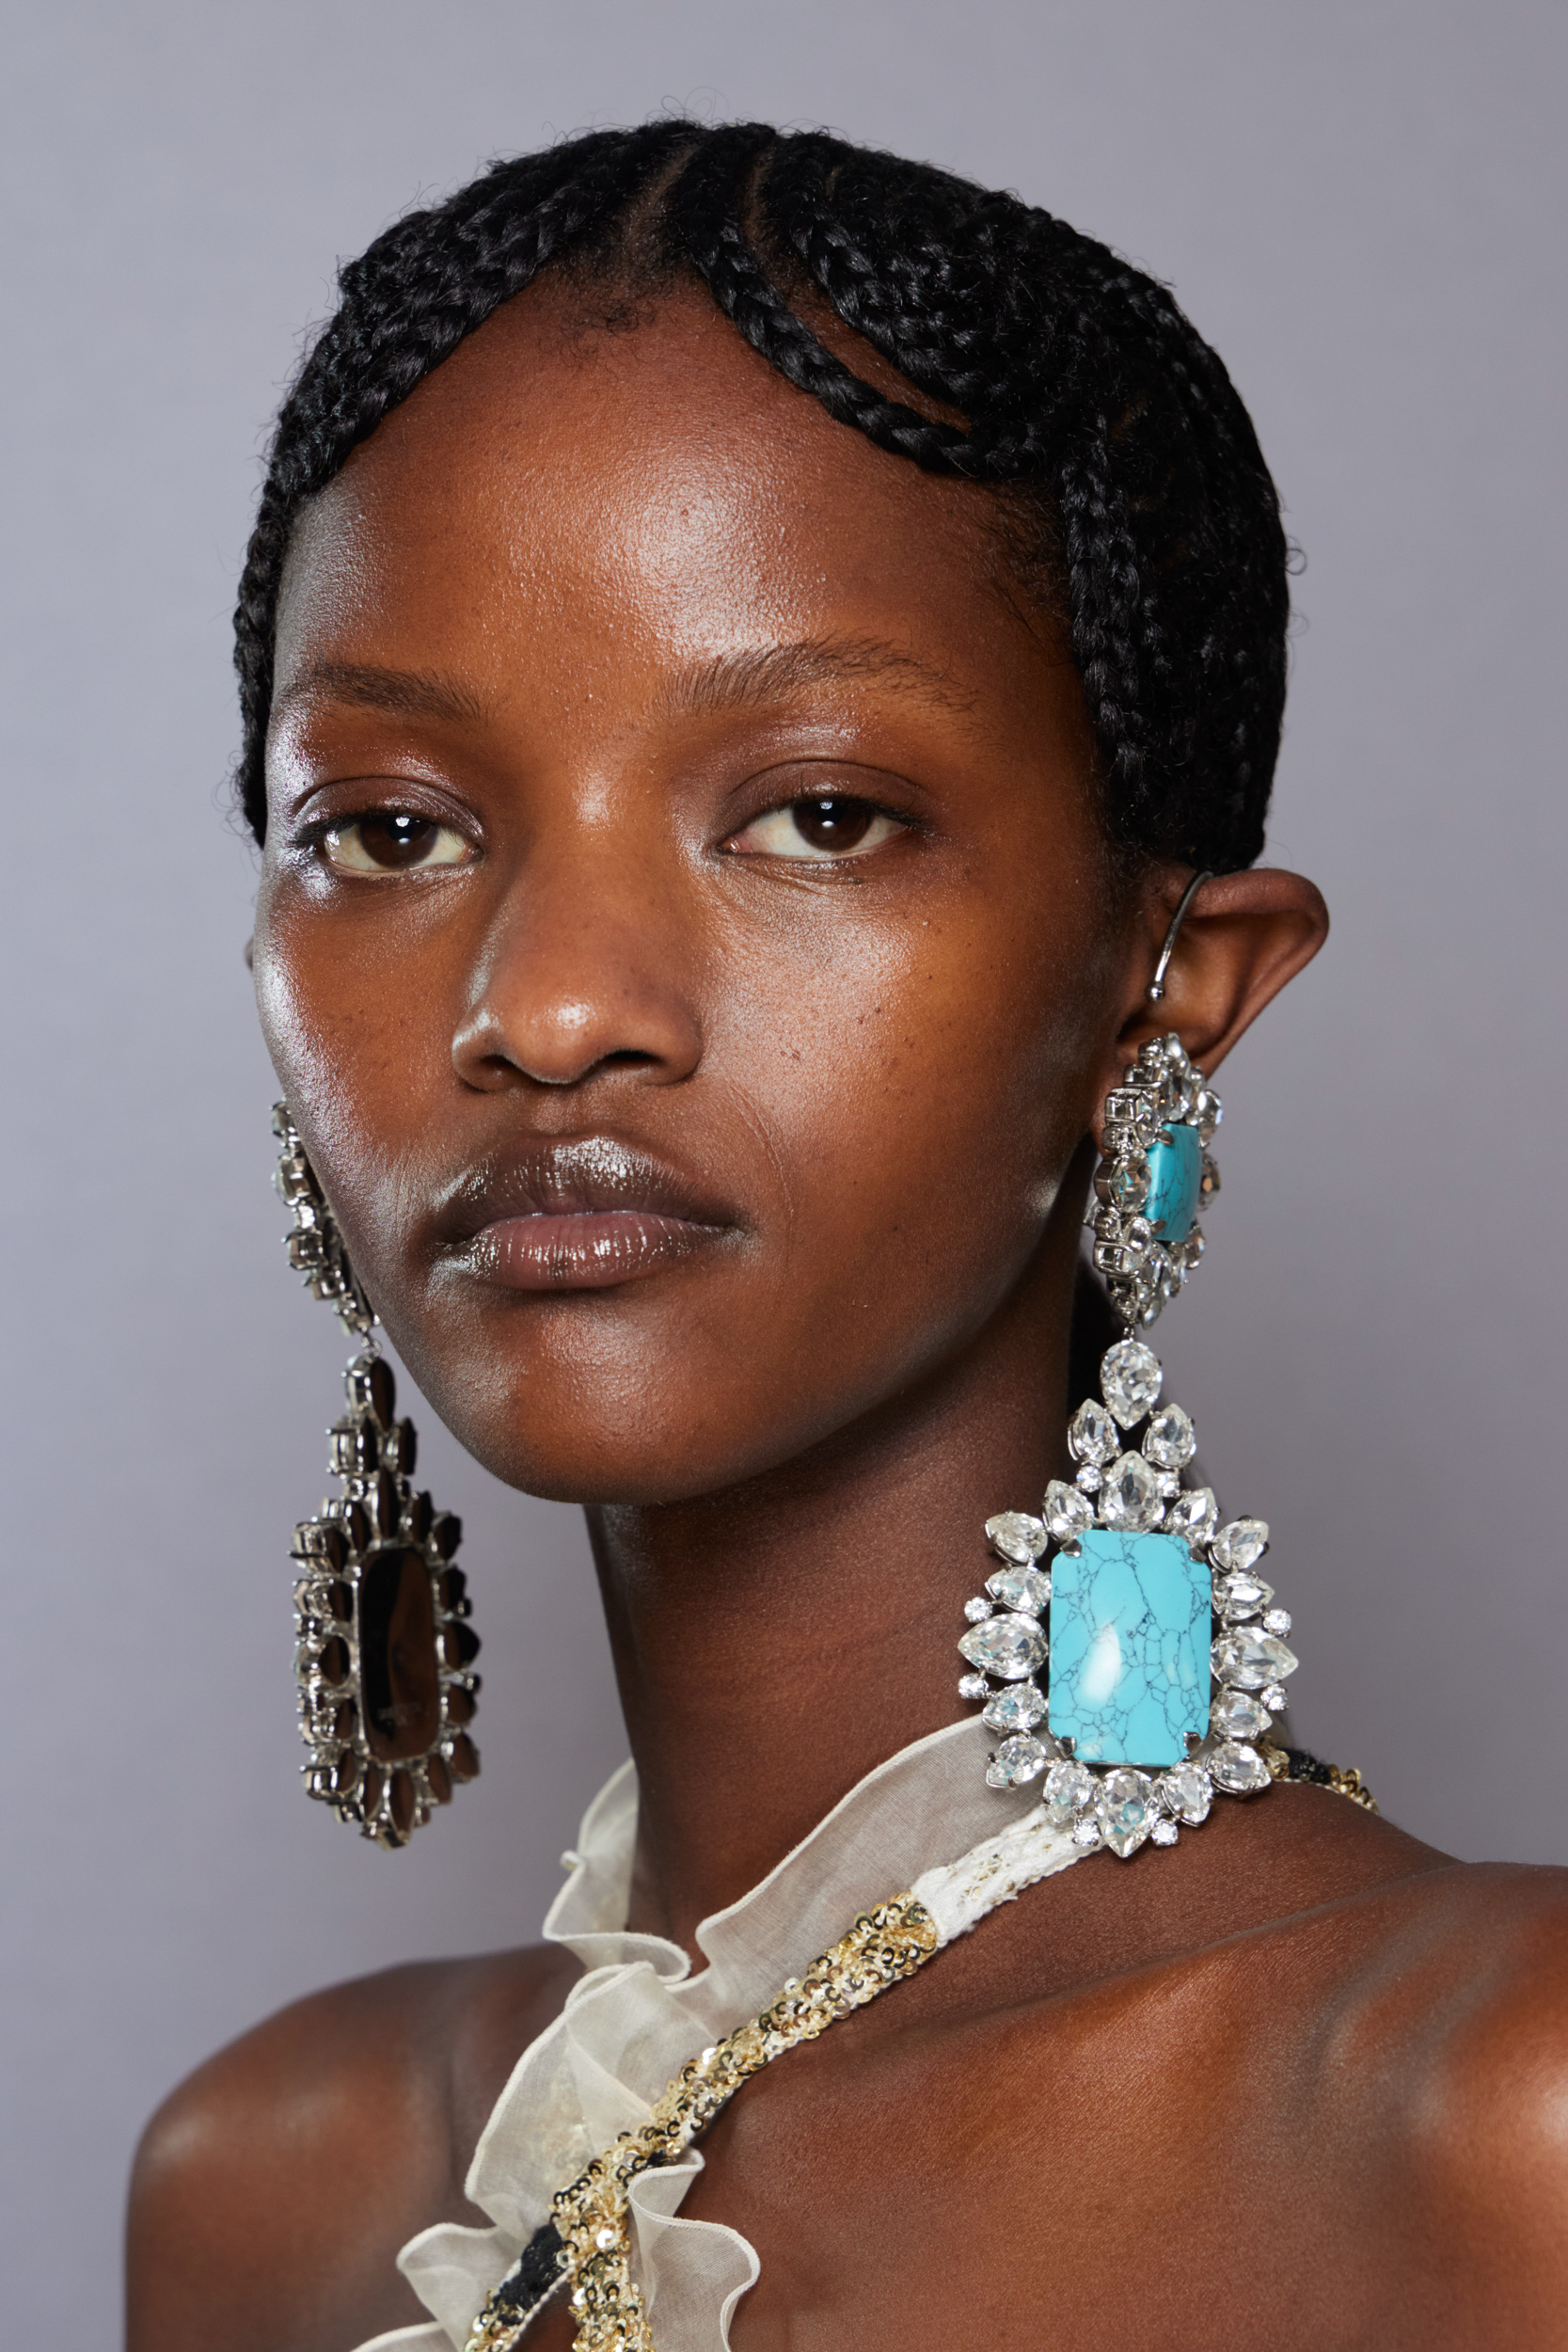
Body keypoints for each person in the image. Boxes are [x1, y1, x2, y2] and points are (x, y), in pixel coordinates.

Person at [126, 122, 1568, 2352]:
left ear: (1170, 991)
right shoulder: (264, 2187)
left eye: (817, 812)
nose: (550, 1006)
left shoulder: (1495, 2118)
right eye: (392, 829)